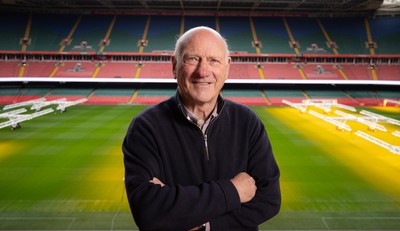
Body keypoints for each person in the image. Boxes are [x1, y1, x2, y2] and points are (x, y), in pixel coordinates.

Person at [122, 26, 281, 231]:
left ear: (227, 67)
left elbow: (269, 199)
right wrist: (232, 191)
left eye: (213, 60)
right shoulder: (145, 128)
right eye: (192, 59)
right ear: (174, 65)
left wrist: (204, 225)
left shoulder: (248, 122)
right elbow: (148, 210)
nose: (203, 71)